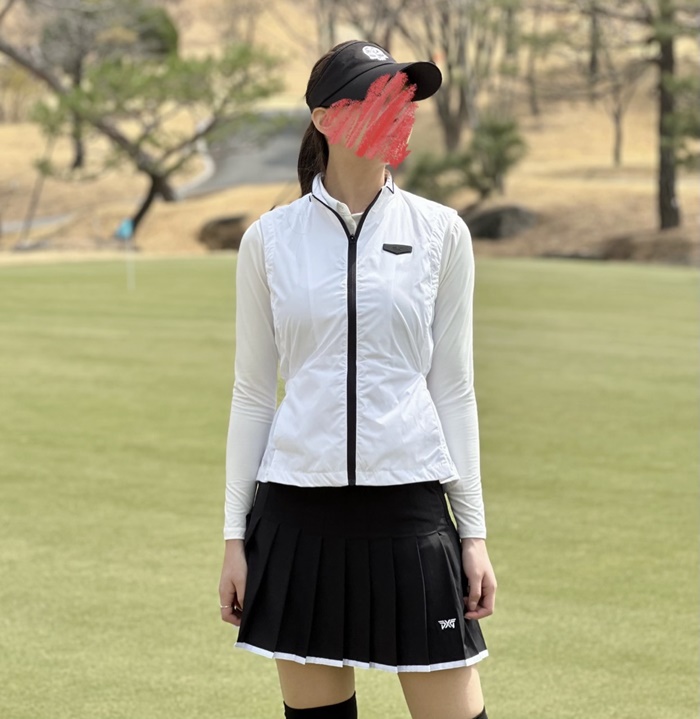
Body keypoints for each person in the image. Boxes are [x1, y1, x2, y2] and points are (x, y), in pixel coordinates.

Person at [219, 39, 498, 719]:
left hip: (410, 511)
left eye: (405, 102)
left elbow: (453, 388)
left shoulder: (441, 231)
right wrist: (233, 537)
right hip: (296, 517)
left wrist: (473, 533)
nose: (401, 115)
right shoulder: (269, 240)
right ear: (324, 118)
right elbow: (253, 394)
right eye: (380, 100)